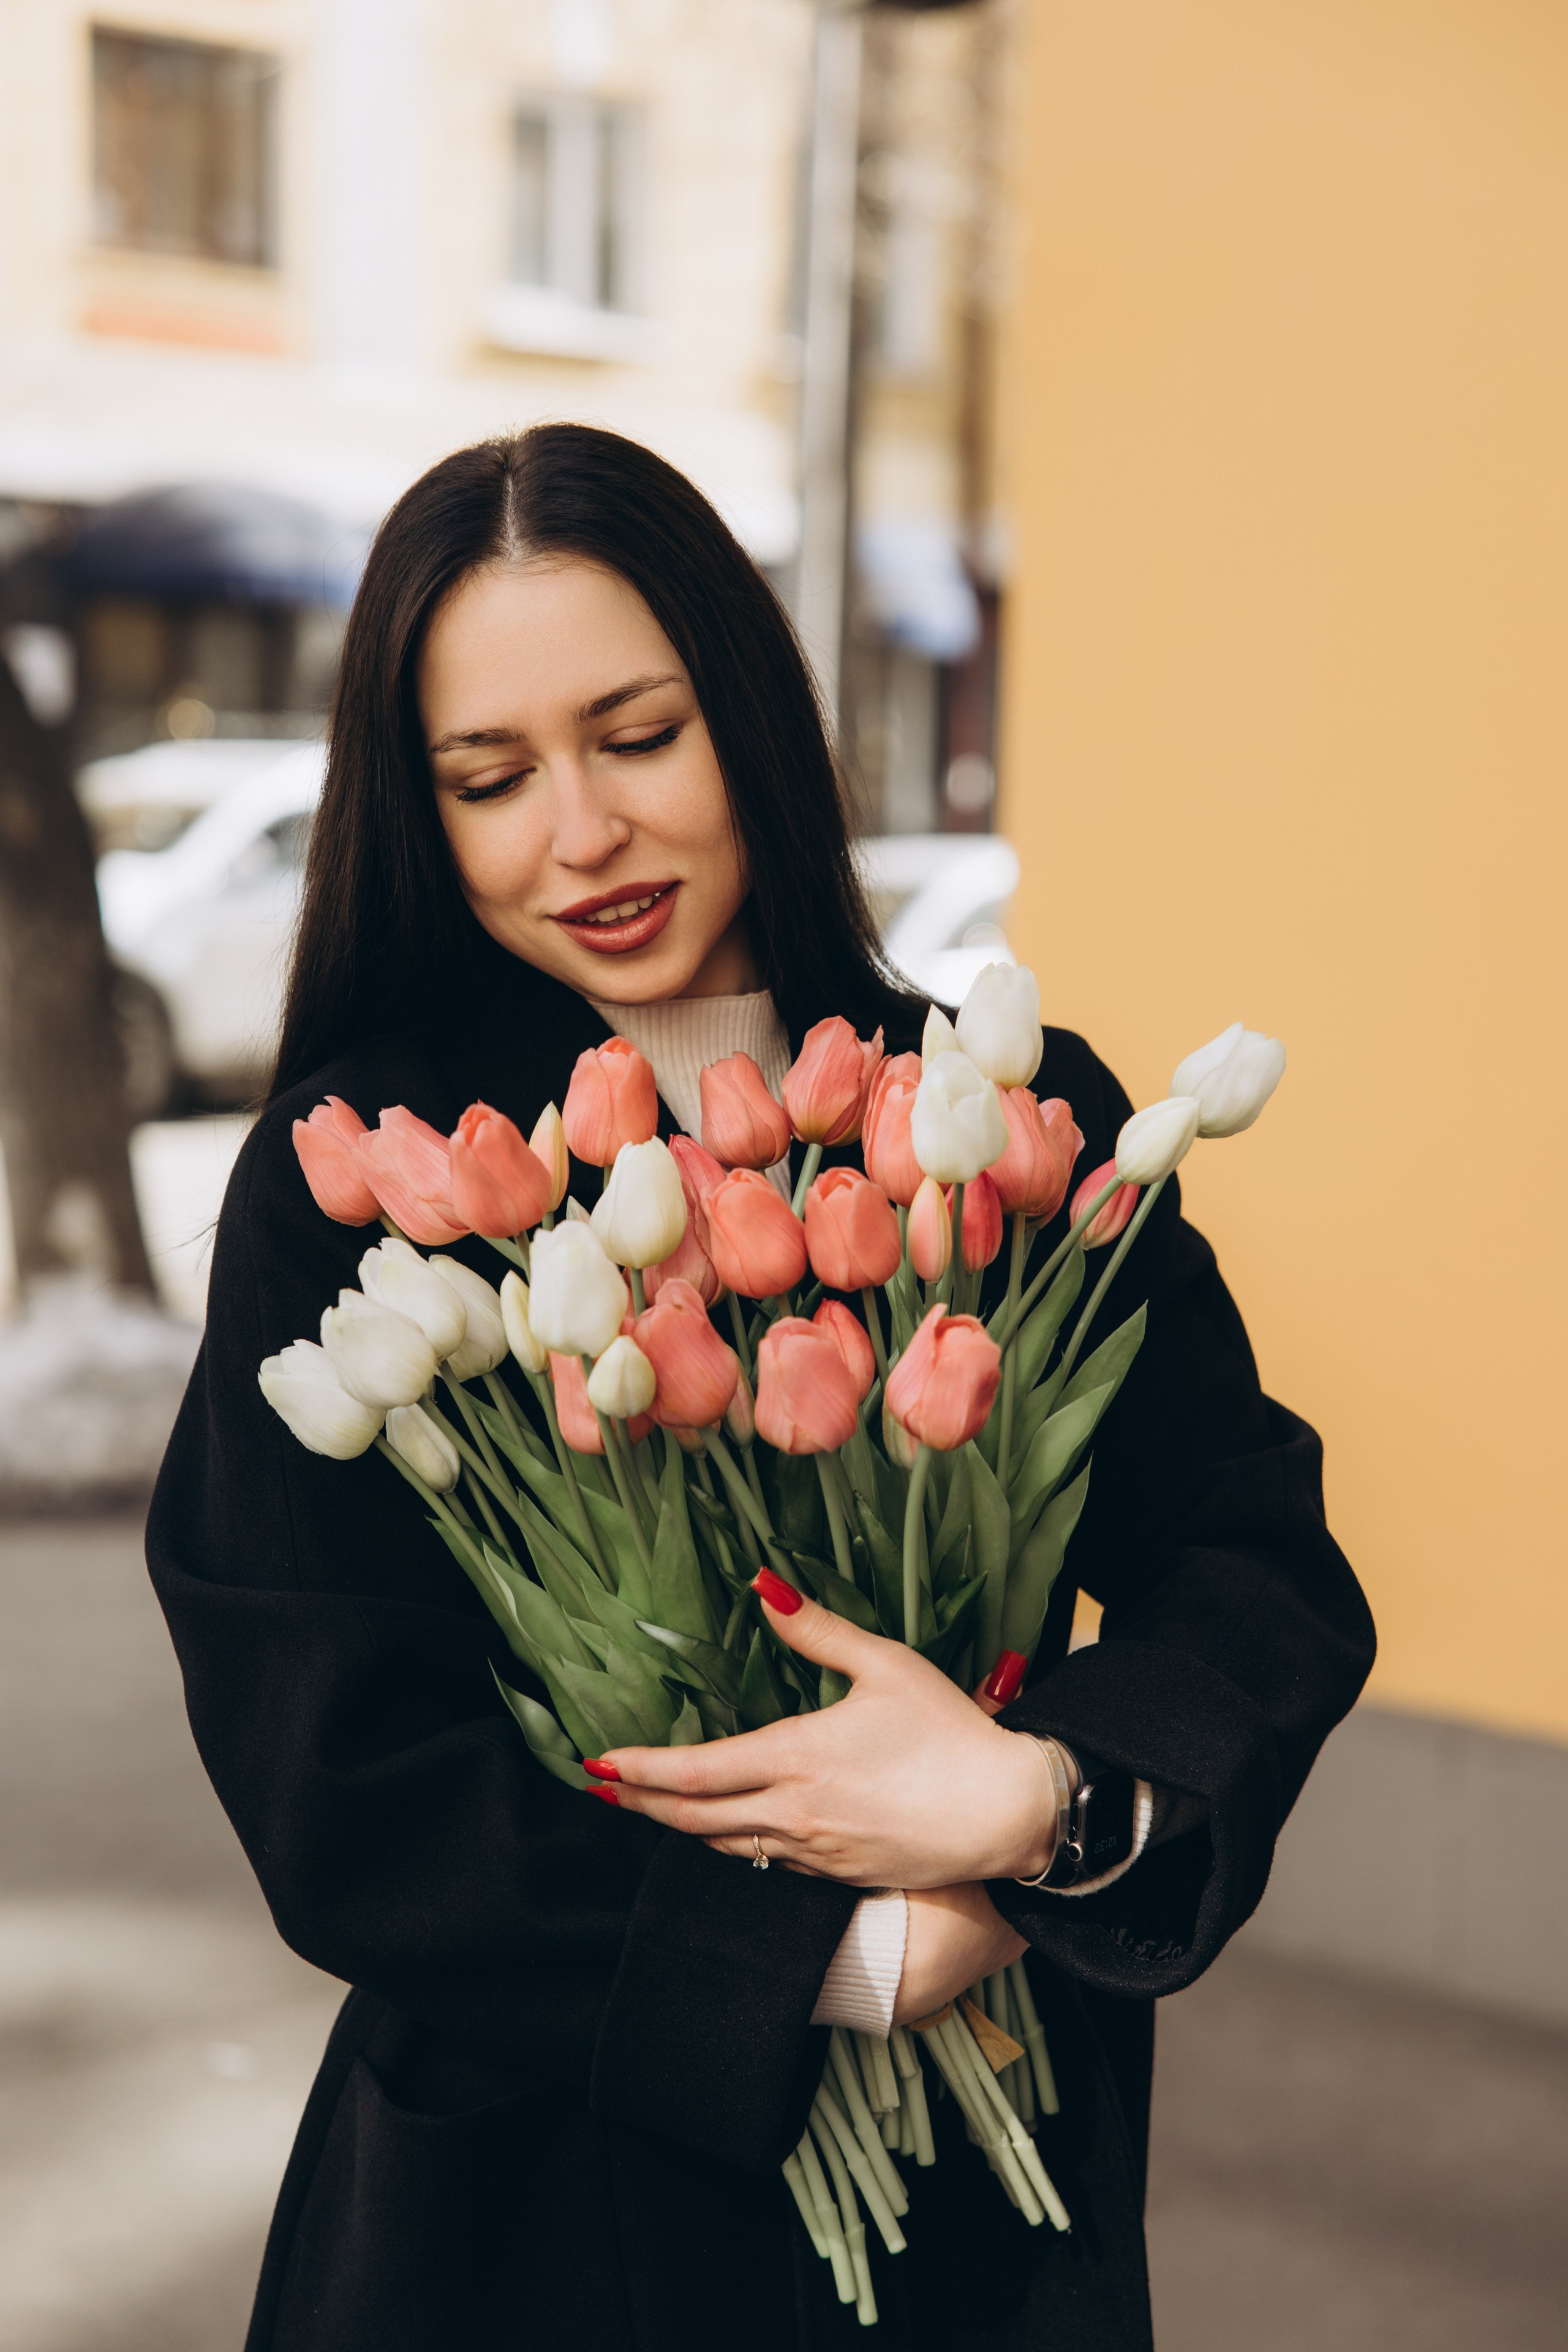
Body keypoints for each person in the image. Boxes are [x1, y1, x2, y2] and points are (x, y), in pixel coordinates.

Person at [145, 424, 1374, 2352]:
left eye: (639, 736)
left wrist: (1031, 1808)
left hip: (981, 2214)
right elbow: (339, 1767)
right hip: (528, 2215)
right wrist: (834, 1955)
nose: (583, 833)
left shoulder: (993, 1123)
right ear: (422, 805)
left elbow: (1253, 1558)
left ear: (754, 716)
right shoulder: (372, 1175)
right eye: (492, 777)